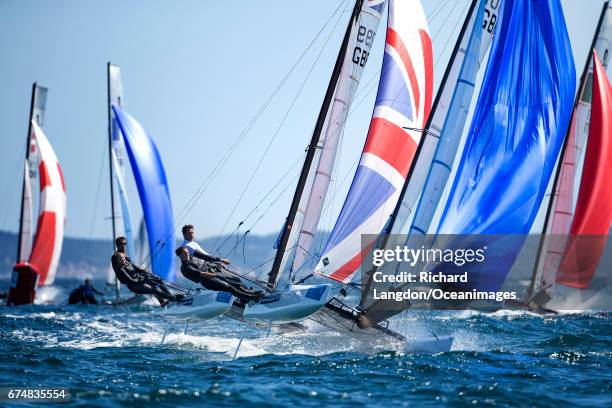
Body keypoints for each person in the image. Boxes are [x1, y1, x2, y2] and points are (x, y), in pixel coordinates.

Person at [175, 246, 264, 302]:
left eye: (187, 253)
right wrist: (217, 275)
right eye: (185, 254)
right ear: (180, 256)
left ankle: (248, 294)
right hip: (208, 280)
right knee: (228, 287)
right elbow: (202, 274)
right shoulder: (186, 268)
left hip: (213, 271)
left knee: (235, 279)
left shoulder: (192, 256)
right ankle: (251, 298)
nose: (187, 254)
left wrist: (220, 261)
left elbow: (206, 258)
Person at [111, 236, 179, 306]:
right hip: (134, 284)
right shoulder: (116, 257)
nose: (123, 246)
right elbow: (125, 276)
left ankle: (164, 300)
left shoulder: (125, 256)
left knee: (158, 279)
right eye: (121, 244)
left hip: (139, 279)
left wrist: (147, 273)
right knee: (154, 289)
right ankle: (173, 298)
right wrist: (142, 279)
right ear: (117, 245)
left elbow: (135, 268)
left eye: (125, 244)